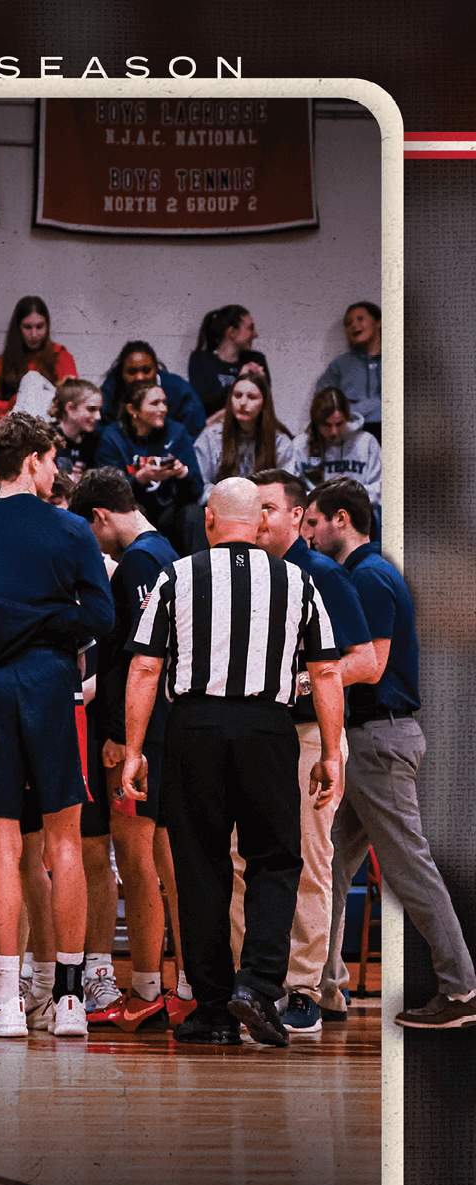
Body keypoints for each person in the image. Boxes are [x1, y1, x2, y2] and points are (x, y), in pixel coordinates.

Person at [122, 476, 344, 1047]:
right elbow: (325, 672)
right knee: (274, 860)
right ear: (260, 521)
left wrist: (133, 750)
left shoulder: (176, 575)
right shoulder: (298, 580)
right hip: (269, 730)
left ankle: (214, 1009)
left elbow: (145, 668)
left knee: (199, 867)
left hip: (193, 727)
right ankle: (258, 985)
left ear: (210, 519)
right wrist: (332, 751)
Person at [0, 414, 114, 1038]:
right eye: (52, 459)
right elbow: (101, 613)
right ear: (36, 460)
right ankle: (69, 1001)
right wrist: (48, 626)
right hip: (50, 687)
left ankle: (6, 1003)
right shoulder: (71, 528)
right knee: (64, 842)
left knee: (3, 848)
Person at [306, 479, 476, 1029]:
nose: (308, 533)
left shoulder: (370, 576)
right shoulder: (366, 573)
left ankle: (461, 990)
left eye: (313, 523)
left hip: (379, 741)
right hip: (365, 742)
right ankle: (326, 988)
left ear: (340, 519)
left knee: (409, 870)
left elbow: (371, 665)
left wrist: (305, 680)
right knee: (328, 864)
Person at [244, 469, 376, 1035]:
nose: (260, 518)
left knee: (310, 860)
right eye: (254, 508)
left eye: (270, 508)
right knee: (242, 859)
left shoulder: (322, 573)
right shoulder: (243, 573)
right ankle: (248, 984)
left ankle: (306, 989)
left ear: (298, 515)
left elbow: (366, 660)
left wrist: (303, 682)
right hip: (252, 732)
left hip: (307, 733)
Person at [70, 466, 185, 1032]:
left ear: (100, 517)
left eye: (86, 530)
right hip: (160, 731)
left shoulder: (141, 561)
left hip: (140, 737)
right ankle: (178, 985)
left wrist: (122, 735)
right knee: (160, 862)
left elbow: (143, 660)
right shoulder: (166, 550)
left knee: (138, 864)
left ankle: (146, 987)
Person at [95, 379, 205, 554]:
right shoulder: (113, 437)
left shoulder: (177, 432)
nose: (163, 409)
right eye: (154, 403)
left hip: (170, 510)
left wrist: (182, 473)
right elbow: (108, 493)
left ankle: (200, 573)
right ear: (132, 410)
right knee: (134, 513)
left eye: (164, 402)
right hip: (132, 511)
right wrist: (141, 478)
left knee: (193, 512)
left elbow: (197, 489)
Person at [193, 373, 293, 501]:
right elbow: (200, 484)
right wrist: (232, 499)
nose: (243, 402)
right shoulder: (210, 437)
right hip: (222, 507)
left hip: (262, 510)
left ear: (264, 404)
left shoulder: (280, 442)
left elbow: (286, 489)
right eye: (237, 395)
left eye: (251, 397)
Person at [0, 295, 78, 421]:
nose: (34, 334)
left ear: (47, 326)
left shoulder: (60, 355)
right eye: (27, 327)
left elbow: (73, 398)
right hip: (13, 427)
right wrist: (15, 402)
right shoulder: (2, 362)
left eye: (39, 326)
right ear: (18, 328)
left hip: (49, 426)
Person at [291, 386, 382, 507]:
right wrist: (322, 499)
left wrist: (347, 496)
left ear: (348, 418)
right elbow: (290, 492)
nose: (334, 431)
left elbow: (380, 489)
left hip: (359, 514)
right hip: (314, 514)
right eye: (326, 425)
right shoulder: (300, 445)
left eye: (339, 424)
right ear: (317, 423)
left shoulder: (367, 442)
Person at [99, 341, 206, 439]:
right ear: (121, 372)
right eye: (132, 372)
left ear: (156, 369)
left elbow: (194, 434)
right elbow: (100, 435)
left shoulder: (179, 391)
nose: (140, 377)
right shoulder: (110, 391)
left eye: (146, 371)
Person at [187, 304, 270, 426]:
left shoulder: (256, 359)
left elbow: (263, 401)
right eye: (250, 328)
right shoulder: (201, 360)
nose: (255, 334)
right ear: (232, 332)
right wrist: (241, 379)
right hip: (213, 430)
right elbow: (206, 403)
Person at [316, 301, 381, 443]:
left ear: (378, 322)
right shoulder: (340, 365)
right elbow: (322, 400)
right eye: (348, 323)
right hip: (352, 437)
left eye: (360, 319)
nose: (354, 325)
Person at [50, 378, 103, 480]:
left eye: (99, 409)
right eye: (91, 409)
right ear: (70, 408)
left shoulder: (94, 439)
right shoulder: (47, 437)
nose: (98, 416)